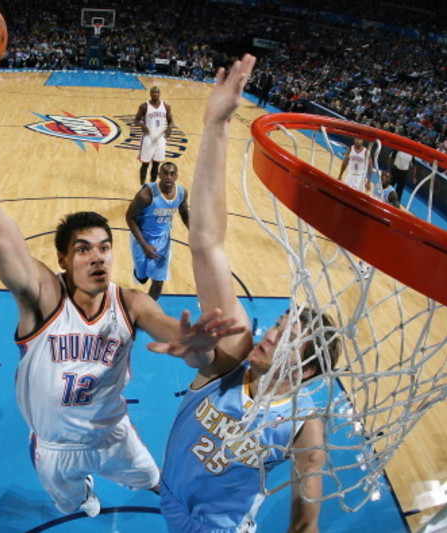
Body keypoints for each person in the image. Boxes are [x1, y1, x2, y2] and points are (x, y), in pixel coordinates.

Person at [0, 44, 240, 518]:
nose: (98, 256)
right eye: (83, 249)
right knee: (77, 505)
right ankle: (83, 495)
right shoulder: (44, 298)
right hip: (55, 449)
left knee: (158, 483)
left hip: (114, 436)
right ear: (63, 261)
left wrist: (196, 346)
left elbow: (181, 340)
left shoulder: (130, 304)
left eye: (104, 246)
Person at [150, 54, 342, 533]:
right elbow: (206, 242)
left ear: (311, 368)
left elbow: (304, 526)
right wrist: (216, 124)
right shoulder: (235, 361)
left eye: (288, 337)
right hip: (171, 500)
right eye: (278, 324)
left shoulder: (304, 427)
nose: (271, 335)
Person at [126, 161, 189, 300]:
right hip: (142, 238)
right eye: (165, 173)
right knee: (142, 278)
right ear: (159, 175)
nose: (168, 177)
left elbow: (184, 212)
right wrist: (144, 246)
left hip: (163, 240)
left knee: (159, 282)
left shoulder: (182, 193)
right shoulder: (145, 195)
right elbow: (129, 218)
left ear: (176, 177)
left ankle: (149, 309)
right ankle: (138, 272)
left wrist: (193, 232)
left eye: (172, 174)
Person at [135, 86, 174, 186]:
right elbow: (136, 120)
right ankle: (142, 186)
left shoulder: (165, 106)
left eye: (156, 92)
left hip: (160, 139)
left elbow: (171, 121)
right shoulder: (144, 106)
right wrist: (142, 125)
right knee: (145, 164)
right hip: (148, 138)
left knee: (156, 164)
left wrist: (169, 128)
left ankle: (152, 186)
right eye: (152, 92)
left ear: (160, 93)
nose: (154, 94)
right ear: (150, 94)